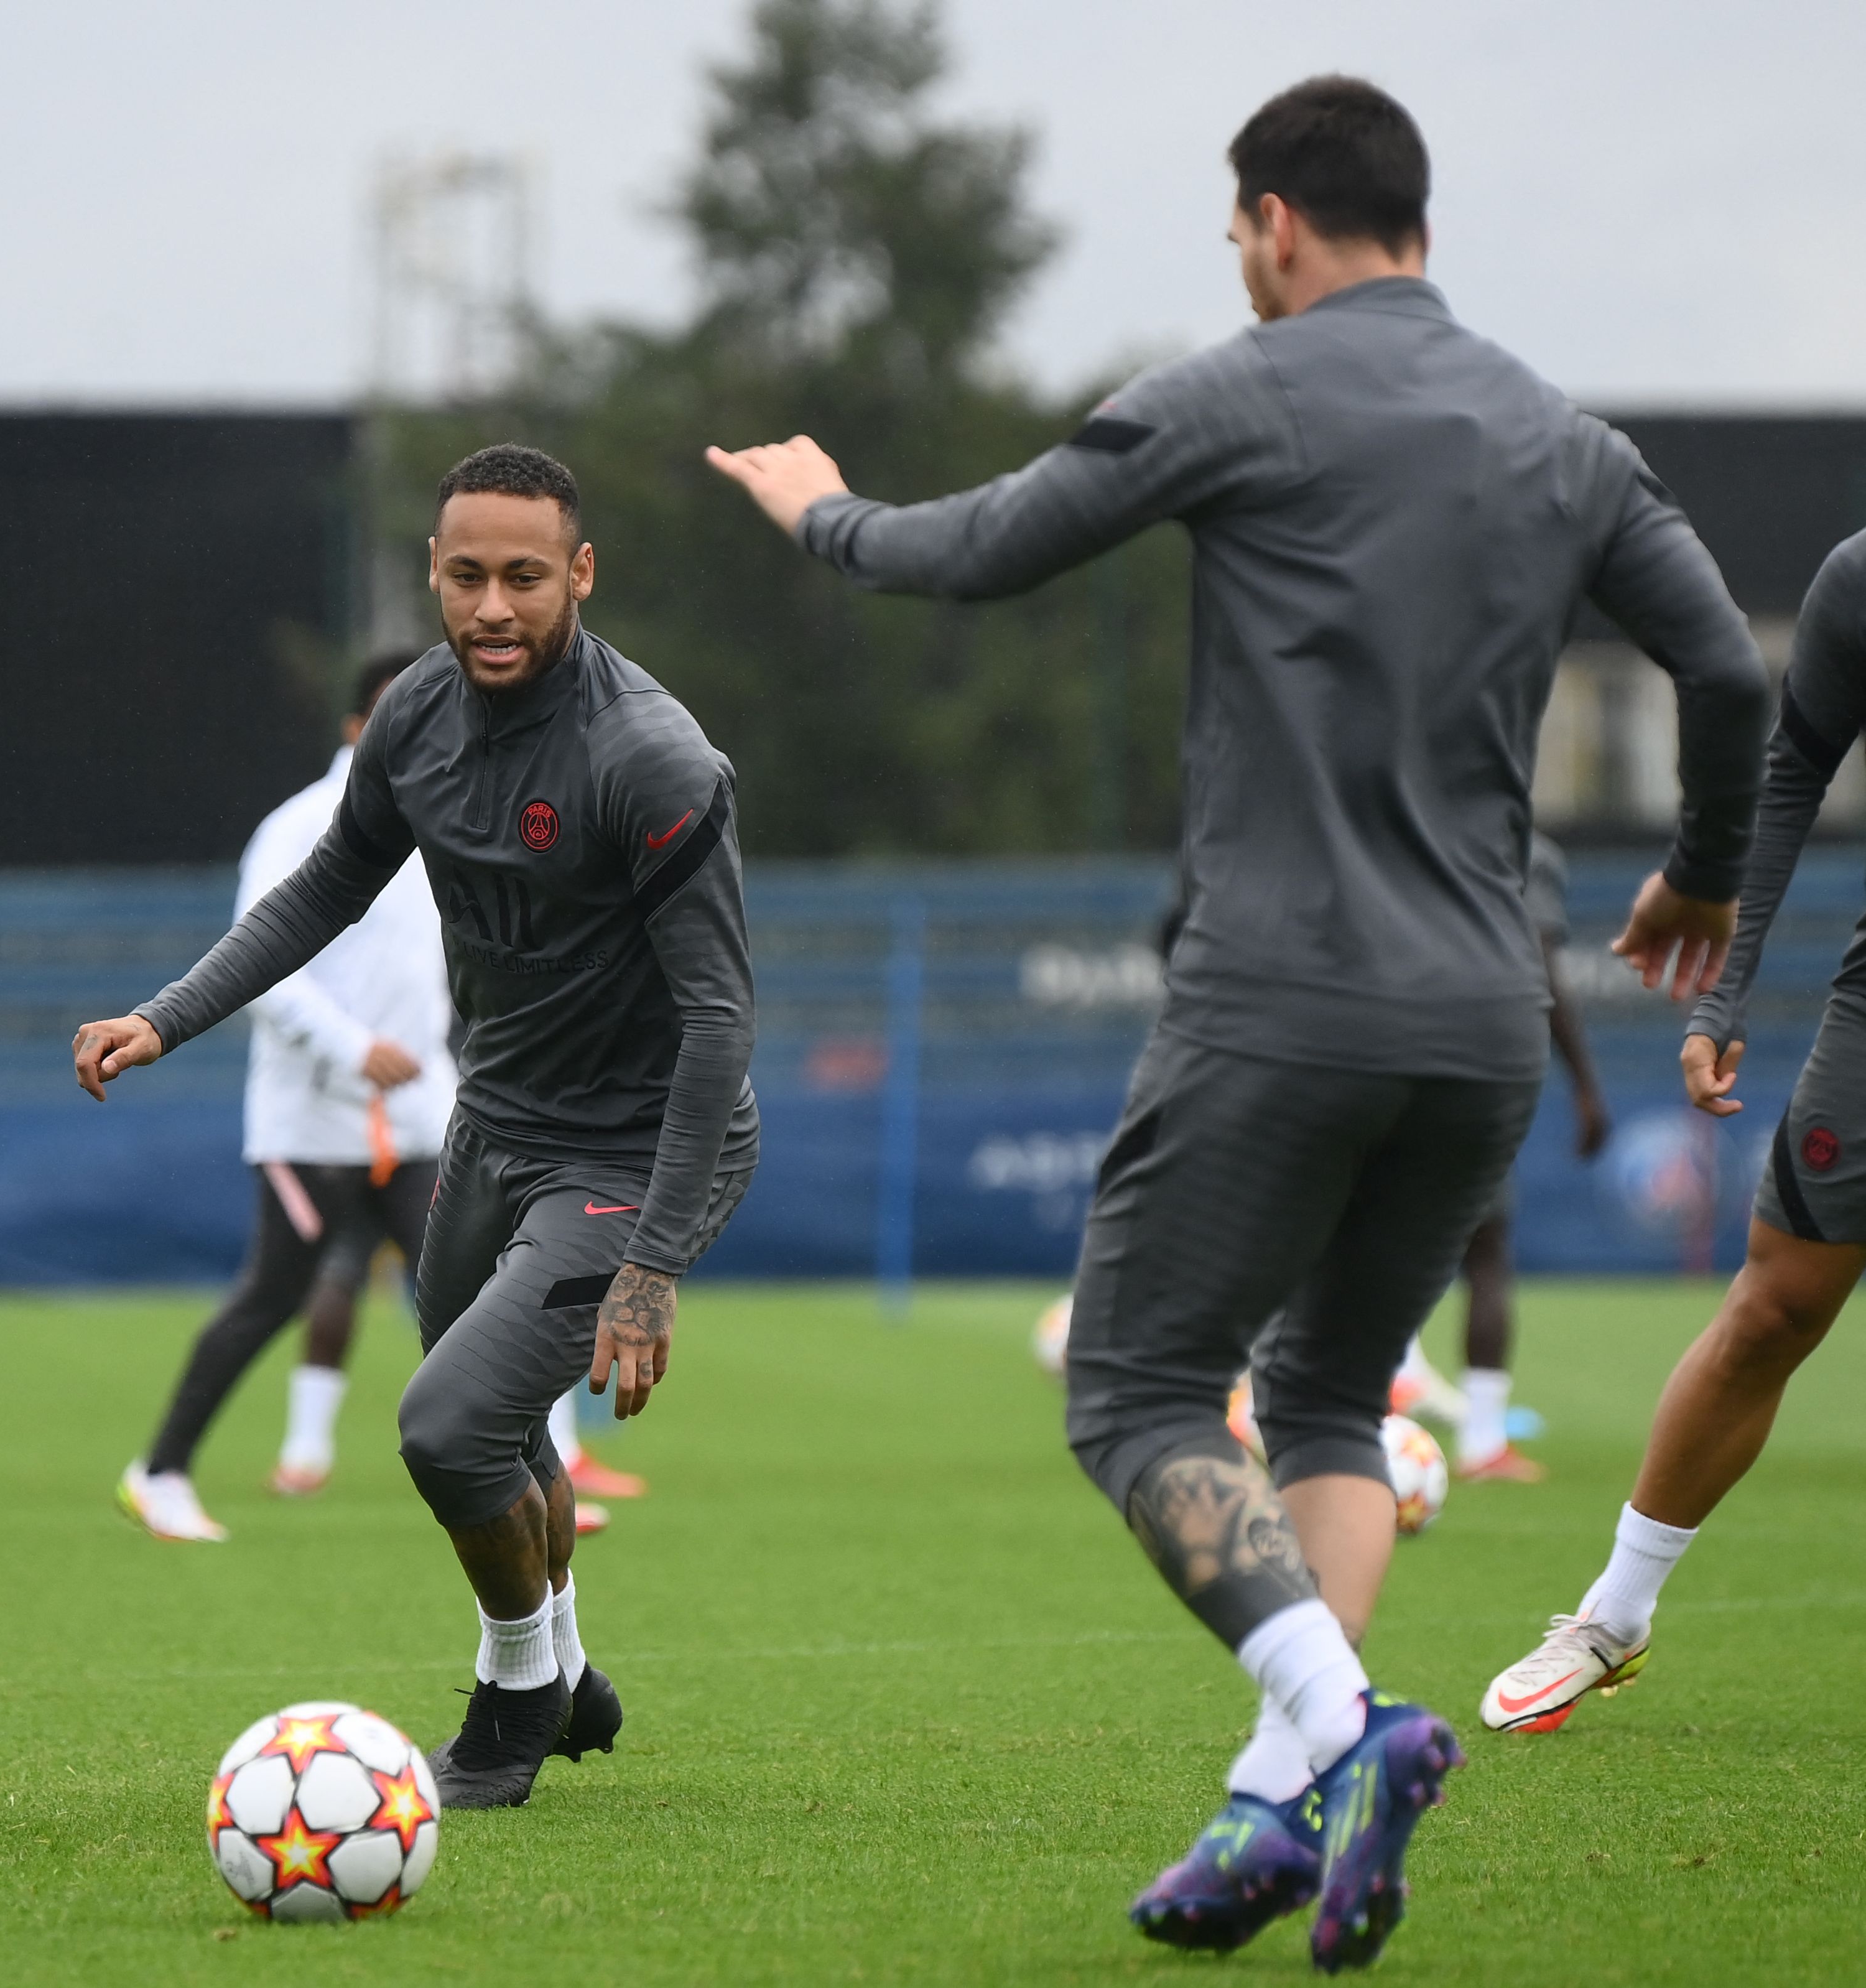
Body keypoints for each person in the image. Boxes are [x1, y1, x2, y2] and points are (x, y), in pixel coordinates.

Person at [708, 77, 1763, 1968]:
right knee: (1325, 1402)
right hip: (1476, 1019)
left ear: (1275, 221)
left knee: (1124, 1385)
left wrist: (819, 514)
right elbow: (1715, 664)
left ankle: (1353, 1742)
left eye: (1232, 233)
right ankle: (1273, 1808)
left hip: (1282, 992)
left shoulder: (1239, 389)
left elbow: (974, 552)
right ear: (1412, 223)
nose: (1234, 261)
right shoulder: (1558, 436)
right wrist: (1694, 875)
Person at [74, 444, 757, 1808]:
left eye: (521, 575)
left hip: (632, 1147)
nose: (491, 606)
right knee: (496, 1427)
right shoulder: (417, 718)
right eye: (463, 575)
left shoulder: (652, 755)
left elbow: (721, 1028)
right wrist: (168, 1015)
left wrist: (653, 1264)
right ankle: (567, 1668)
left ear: (579, 573)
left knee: (447, 1426)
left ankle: (510, 1706)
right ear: (432, 575)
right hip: (492, 1120)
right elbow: (324, 886)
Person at [1481, 531, 1866, 1738]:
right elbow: (1788, 778)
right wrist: (1719, 992)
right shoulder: (1856, 579)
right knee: (1773, 1304)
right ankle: (1614, 1611)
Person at [117, 653, 457, 1542]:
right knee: (273, 1297)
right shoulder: (301, 825)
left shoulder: (450, 822)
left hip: (420, 1122)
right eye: (396, 715)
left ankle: (523, 1483)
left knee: (465, 1295)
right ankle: (158, 1473)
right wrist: (354, 1049)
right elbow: (259, 967)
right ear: (356, 731)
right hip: (312, 1123)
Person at [1447, 832, 1612, 1483]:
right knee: (1484, 1249)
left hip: (1360, 1051)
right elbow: (1540, 962)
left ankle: (1339, 1422)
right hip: (1468, 1067)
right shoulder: (1520, 845)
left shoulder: (1376, 817)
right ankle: (1481, 1440)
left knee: (1356, 1241)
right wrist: (1585, 1085)